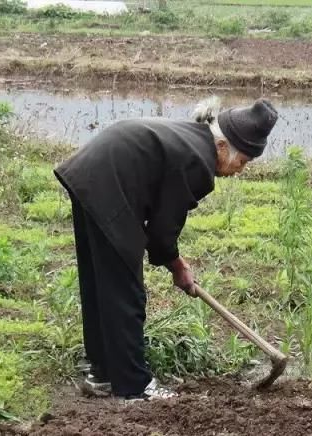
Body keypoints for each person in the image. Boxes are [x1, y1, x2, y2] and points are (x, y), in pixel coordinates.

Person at [53, 96, 278, 403]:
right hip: (109, 183)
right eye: (243, 161)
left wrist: (174, 261)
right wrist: (177, 265)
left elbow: (159, 222)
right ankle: (134, 387)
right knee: (126, 292)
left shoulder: (193, 141)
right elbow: (162, 229)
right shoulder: (198, 162)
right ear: (223, 146)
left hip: (91, 175)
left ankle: (102, 374)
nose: (240, 170)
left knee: (101, 283)